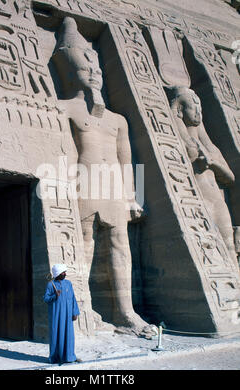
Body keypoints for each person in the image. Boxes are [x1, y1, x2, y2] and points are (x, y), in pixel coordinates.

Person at [52, 17, 155, 337]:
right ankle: (82, 310)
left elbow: (128, 161)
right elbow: (58, 148)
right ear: (70, 72)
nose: (94, 74)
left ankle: (125, 313)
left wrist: (132, 195)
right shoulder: (66, 108)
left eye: (96, 70)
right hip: (84, 183)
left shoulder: (118, 120)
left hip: (113, 187)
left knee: (120, 246)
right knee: (83, 246)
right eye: (86, 69)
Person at [168, 86, 239, 271]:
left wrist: (213, 163)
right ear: (180, 110)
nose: (198, 111)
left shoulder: (210, 147)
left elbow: (230, 178)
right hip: (198, 200)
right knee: (208, 246)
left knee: (229, 246)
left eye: (199, 107)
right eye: (193, 107)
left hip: (217, 200)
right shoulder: (180, 141)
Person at [43, 263, 81, 364]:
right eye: (63, 272)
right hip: (56, 315)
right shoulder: (51, 285)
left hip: (67, 315)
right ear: (58, 273)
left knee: (69, 336)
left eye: (65, 272)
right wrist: (54, 296)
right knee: (56, 335)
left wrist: (75, 312)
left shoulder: (68, 283)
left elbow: (73, 298)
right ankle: (55, 358)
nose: (65, 274)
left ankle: (69, 357)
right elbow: (46, 299)